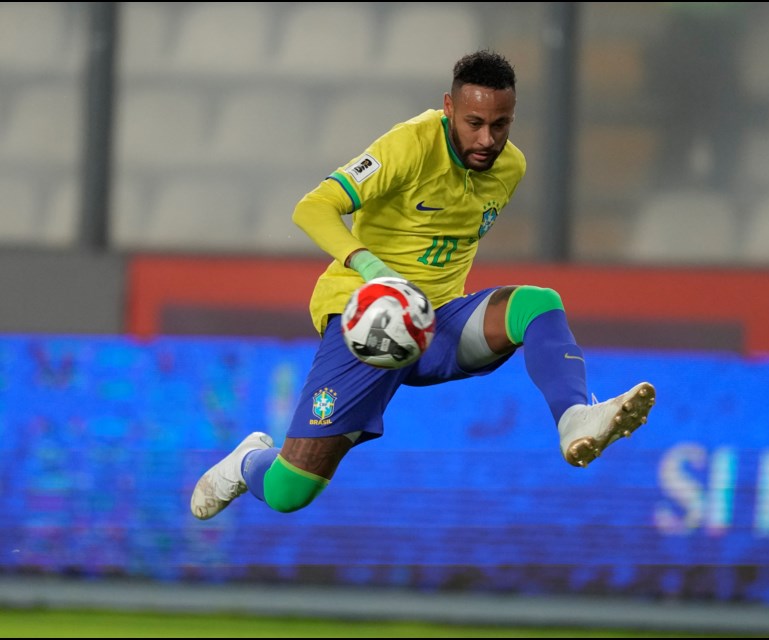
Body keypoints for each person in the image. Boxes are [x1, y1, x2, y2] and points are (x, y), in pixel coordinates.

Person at [190, 50, 656, 520]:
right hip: (369, 321)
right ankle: (247, 459)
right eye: (474, 122)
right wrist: (371, 268)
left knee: (536, 305)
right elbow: (312, 208)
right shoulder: (408, 146)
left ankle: (575, 416)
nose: (486, 139)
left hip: (435, 324)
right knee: (291, 491)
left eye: (501, 125)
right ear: (449, 107)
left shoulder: (511, 167)